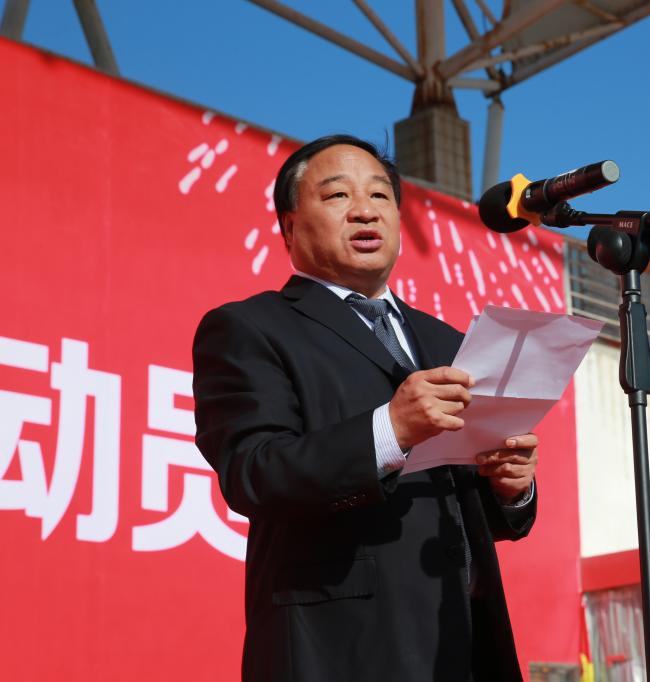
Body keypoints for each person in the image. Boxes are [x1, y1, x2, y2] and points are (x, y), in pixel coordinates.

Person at [192, 134, 538, 682]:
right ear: (288, 227)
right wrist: (391, 429)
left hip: (463, 643)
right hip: (340, 649)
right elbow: (253, 472)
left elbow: (464, 513)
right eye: (337, 196)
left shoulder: (449, 341)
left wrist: (509, 489)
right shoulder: (249, 328)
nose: (364, 210)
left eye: (380, 195)